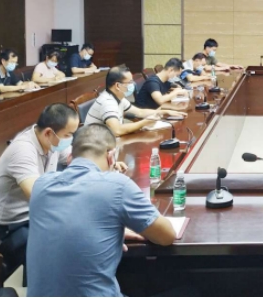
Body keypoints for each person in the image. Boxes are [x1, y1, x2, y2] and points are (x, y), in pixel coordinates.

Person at [27, 123, 175, 296]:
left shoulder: (41, 185)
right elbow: (166, 236)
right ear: (111, 157)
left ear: (70, 158)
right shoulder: (117, 185)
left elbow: (69, 223)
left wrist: (108, 230)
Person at [0, 103, 79, 279]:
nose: (71, 139)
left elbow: (75, 157)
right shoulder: (23, 150)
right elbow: (40, 197)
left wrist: (101, 160)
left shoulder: (50, 141)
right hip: (10, 228)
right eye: (68, 135)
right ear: (49, 133)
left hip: (32, 217)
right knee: (66, 243)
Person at [85, 66, 186, 136]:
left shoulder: (118, 98)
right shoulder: (107, 102)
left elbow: (139, 112)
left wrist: (165, 112)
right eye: (129, 82)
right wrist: (144, 123)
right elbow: (117, 130)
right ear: (117, 85)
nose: (132, 85)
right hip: (94, 148)